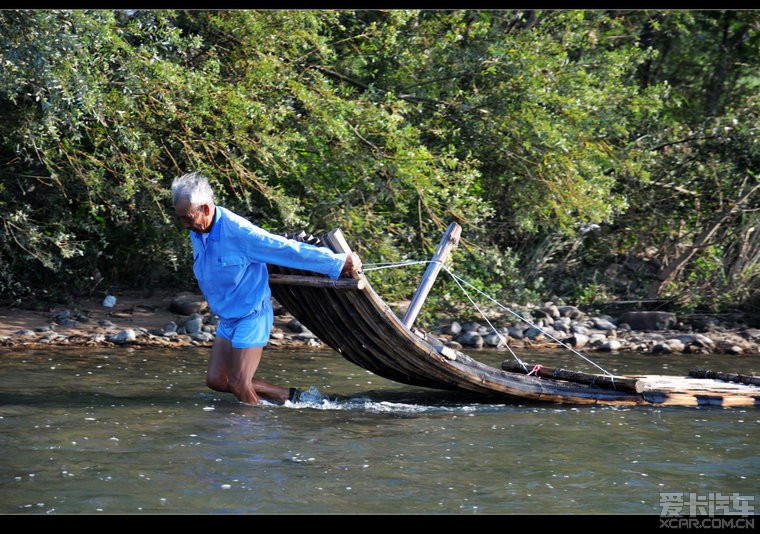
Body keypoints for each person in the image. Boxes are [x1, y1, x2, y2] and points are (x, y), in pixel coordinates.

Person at [171, 170, 362, 405]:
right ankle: (286, 396)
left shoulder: (240, 233)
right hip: (227, 317)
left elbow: (286, 249)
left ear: (206, 209)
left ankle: (254, 432)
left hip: (251, 314)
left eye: (187, 218)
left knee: (239, 383)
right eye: (180, 218)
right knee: (217, 380)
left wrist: (338, 262)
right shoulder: (198, 229)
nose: (184, 224)